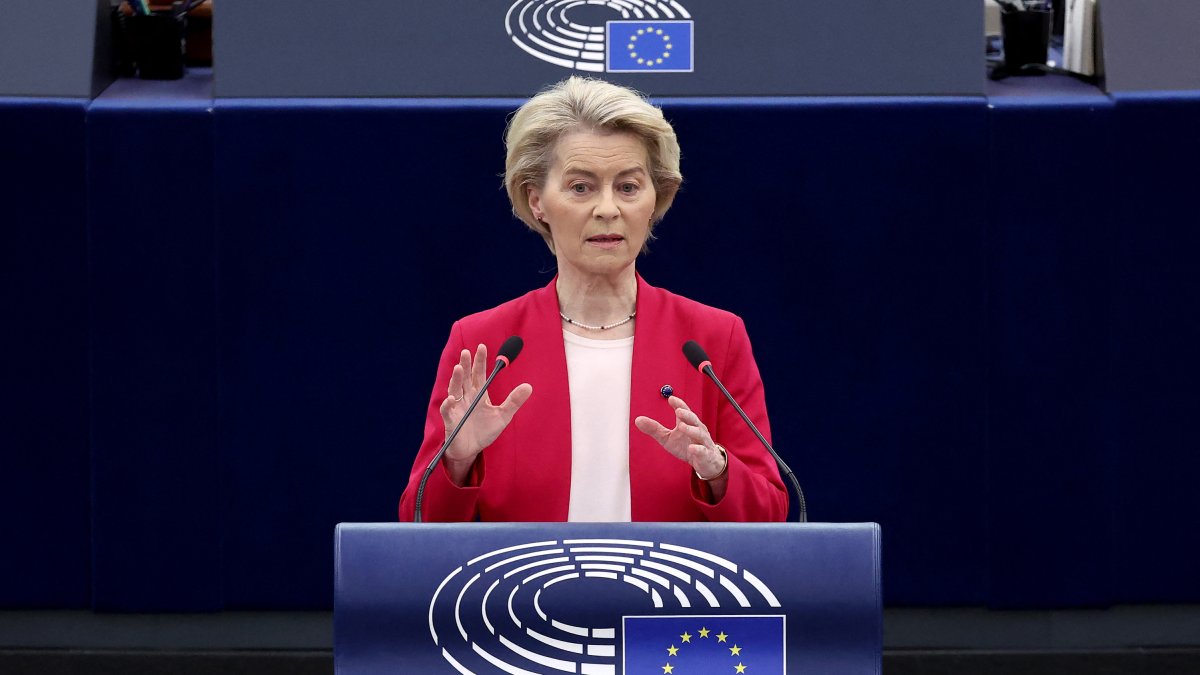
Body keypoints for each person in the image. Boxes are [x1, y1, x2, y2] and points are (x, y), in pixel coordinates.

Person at [398, 76, 786, 522]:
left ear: (655, 198)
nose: (607, 209)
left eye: (628, 187)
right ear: (537, 200)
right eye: (581, 187)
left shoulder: (712, 339)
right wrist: (458, 459)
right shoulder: (484, 344)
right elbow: (418, 526)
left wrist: (717, 470)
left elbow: (771, 518)